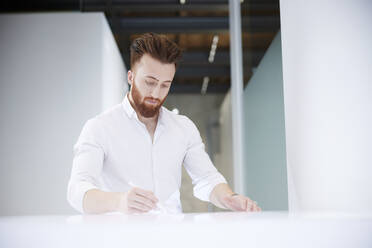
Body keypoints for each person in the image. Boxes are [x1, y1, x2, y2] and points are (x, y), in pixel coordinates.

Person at [67, 33, 261, 214]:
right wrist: (120, 201)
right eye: (150, 82)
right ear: (130, 77)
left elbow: (207, 178)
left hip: (171, 235)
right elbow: (77, 190)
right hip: (121, 236)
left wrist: (230, 198)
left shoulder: (183, 127)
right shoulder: (99, 128)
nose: (156, 94)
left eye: (165, 85)